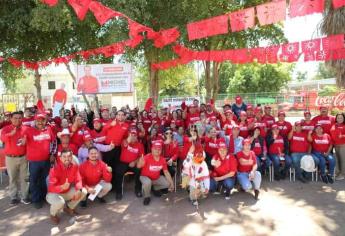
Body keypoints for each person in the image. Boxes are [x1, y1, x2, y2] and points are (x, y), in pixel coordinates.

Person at [24, 113, 56, 209]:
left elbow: (54, 142)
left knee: (43, 180)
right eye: (38, 120)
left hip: (46, 160)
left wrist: (52, 154)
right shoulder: (29, 130)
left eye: (42, 120)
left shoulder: (48, 130)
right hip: (34, 162)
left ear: (45, 121)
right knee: (34, 180)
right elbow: (23, 140)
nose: (40, 122)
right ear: (35, 121)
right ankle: (36, 200)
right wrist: (22, 140)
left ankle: (43, 197)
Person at [46, 150, 87, 224]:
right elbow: (51, 188)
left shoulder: (74, 166)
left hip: (66, 192)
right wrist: (61, 187)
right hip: (53, 194)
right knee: (60, 202)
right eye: (64, 156)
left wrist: (79, 189)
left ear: (71, 157)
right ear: (60, 158)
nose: (67, 158)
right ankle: (53, 215)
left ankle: (69, 208)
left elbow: (78, 180)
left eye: (69, 156)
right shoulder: (54, 169)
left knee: (83, 191)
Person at [0, 111, 29, 205]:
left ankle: (25, 196)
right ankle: (14, 197)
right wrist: (10, 134)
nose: (17, 120)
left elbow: (31, 141)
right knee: (12, 178)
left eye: (20, 118)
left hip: (24, 157)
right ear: (11, 119)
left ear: (22, 118)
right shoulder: (6, 129)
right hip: (10, 158)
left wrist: (26, 142)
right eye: (15, 118)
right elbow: (3, 138)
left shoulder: (26, 129)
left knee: (24, 178)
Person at [137, 142, 174, 206]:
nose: (157, 150)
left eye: (159, 149)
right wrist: (140, 162)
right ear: (152, 149)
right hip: (144, 177)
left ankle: (154, 188)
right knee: (148, 182)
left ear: (161, 151)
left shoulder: (162, 159)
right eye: (155, 148)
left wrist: (172, 183)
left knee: (167, 184)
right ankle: (147, 197)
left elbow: (166, 172)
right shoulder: (147, 157)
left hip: (156, 178)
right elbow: (138, 166)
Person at [115, 129, 144, 200]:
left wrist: (134, 162)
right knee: (118, 172)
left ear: (137, 137)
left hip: (133, 163)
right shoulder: (125, 141)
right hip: (123, 163)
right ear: (129, 135)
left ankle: (138, 189)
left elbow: (141, 156)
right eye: (131, 135)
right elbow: (125, 144)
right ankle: (118, 192)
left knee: (139, 170)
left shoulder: (140, 145)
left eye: (135, 135)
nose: (133, 137)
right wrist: (129, 138)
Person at [103, 110, 129, 189]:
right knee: (107, 167)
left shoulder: (126, 125)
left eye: (122, 115)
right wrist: (111, 125)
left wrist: (125, 141)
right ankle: (106, 185)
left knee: (115, 167)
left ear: (124, 116)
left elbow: (125, 136)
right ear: (116, 116)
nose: (120, 116)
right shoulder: (111, 122)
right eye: (119, 114)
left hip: (117, 148)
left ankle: (114, 186)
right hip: (108, 147)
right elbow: (104, 129)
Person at [330, 113, 345, 180]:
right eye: (338, 118)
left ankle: (342, 174)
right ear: (336, 119)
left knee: (343, 160)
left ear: (343, 118)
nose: (339, 119)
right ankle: (338, 173)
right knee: (337, 160)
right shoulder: (334, 125)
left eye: (341, 118)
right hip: (335, 145)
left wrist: (343, 136)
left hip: (343, 145)